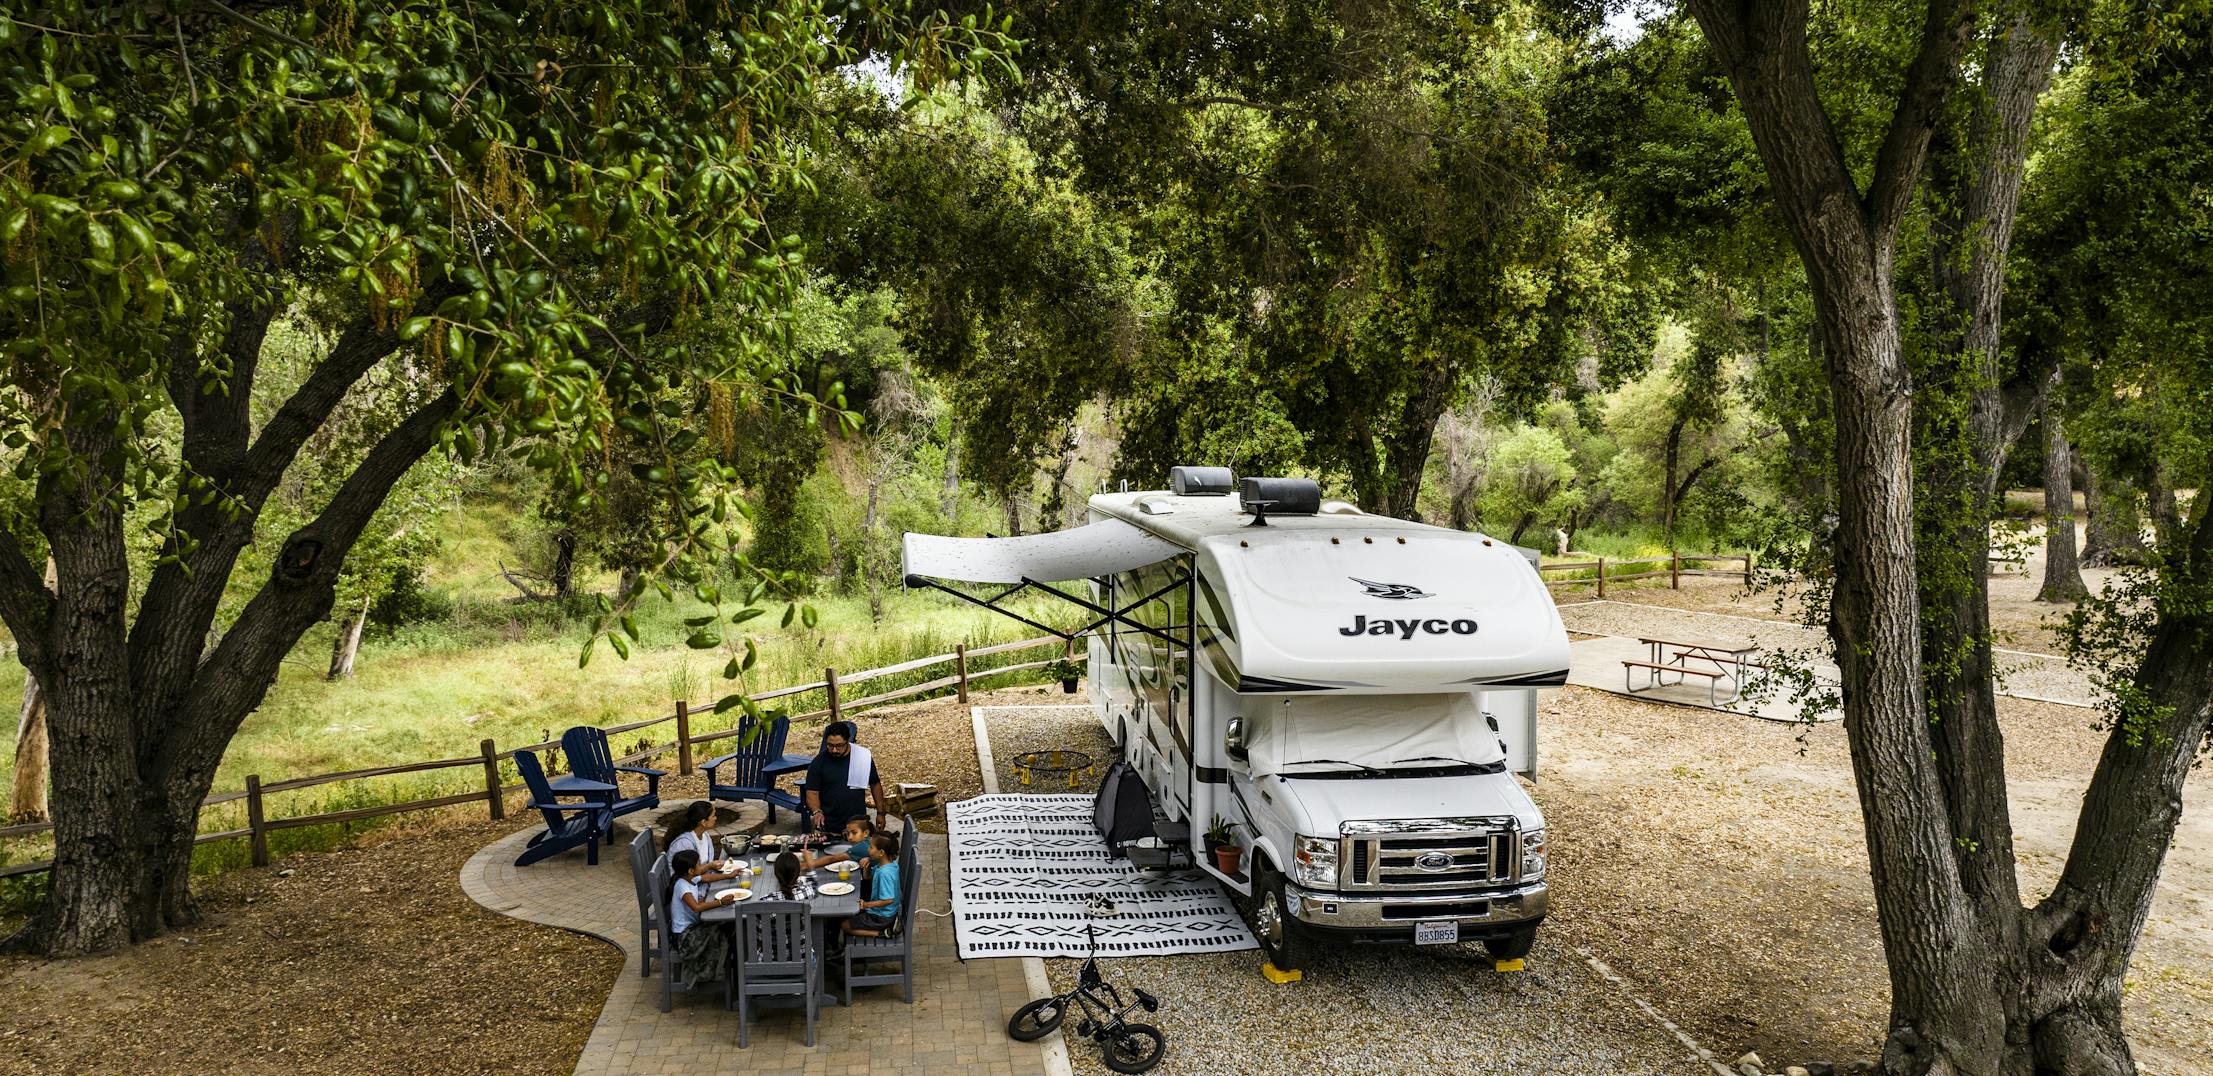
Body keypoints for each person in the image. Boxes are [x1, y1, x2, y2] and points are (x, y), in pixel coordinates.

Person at [802, 720, 887, 834]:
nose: (834, 750)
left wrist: (880, 813)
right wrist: (817, 812)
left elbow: (875, 784)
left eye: (839, 745)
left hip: (858, 824)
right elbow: (812, 791)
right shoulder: (819, 762)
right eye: (830, 745)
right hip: (830, 824)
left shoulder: (862, 757)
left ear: (848, 741)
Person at [668, 849, 735, 984]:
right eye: (698, 864)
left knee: (728, 926)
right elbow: (696, 907)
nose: (702, 867)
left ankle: (728, 965)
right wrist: (720, 902)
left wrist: (729, 876)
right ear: (690, 871)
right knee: (725, 929)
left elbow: (707, 878)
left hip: (692, 928)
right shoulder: (682, 886)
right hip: (684, 938)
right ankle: (720, 971)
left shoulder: (690, 879)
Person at [842, 830, 902, 938]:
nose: (868, 850)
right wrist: (867, 866)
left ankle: (882, 933)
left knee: (845, 925)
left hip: (882, 917)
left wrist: (866, 905)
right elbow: (867, 877)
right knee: (850, 912)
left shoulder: (885, 873)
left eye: (871, 847)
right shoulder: (889, 864)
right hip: (884, 912)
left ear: (881, 852)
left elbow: (888, 900)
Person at [800, 816, 874, 874]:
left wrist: (808, 864)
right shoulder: (871, 841)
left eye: (854, 833)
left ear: (866, 833)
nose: (850, 837)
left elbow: (832, 859)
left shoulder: (861, 847)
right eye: (848, 833)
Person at [664, 801, 720, 866]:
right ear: (703, 822)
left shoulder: (705, 835)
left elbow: (708, 862)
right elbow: (689, 874)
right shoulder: (684, 844)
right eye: (713, 816)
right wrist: (709, 867)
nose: (715, 818)